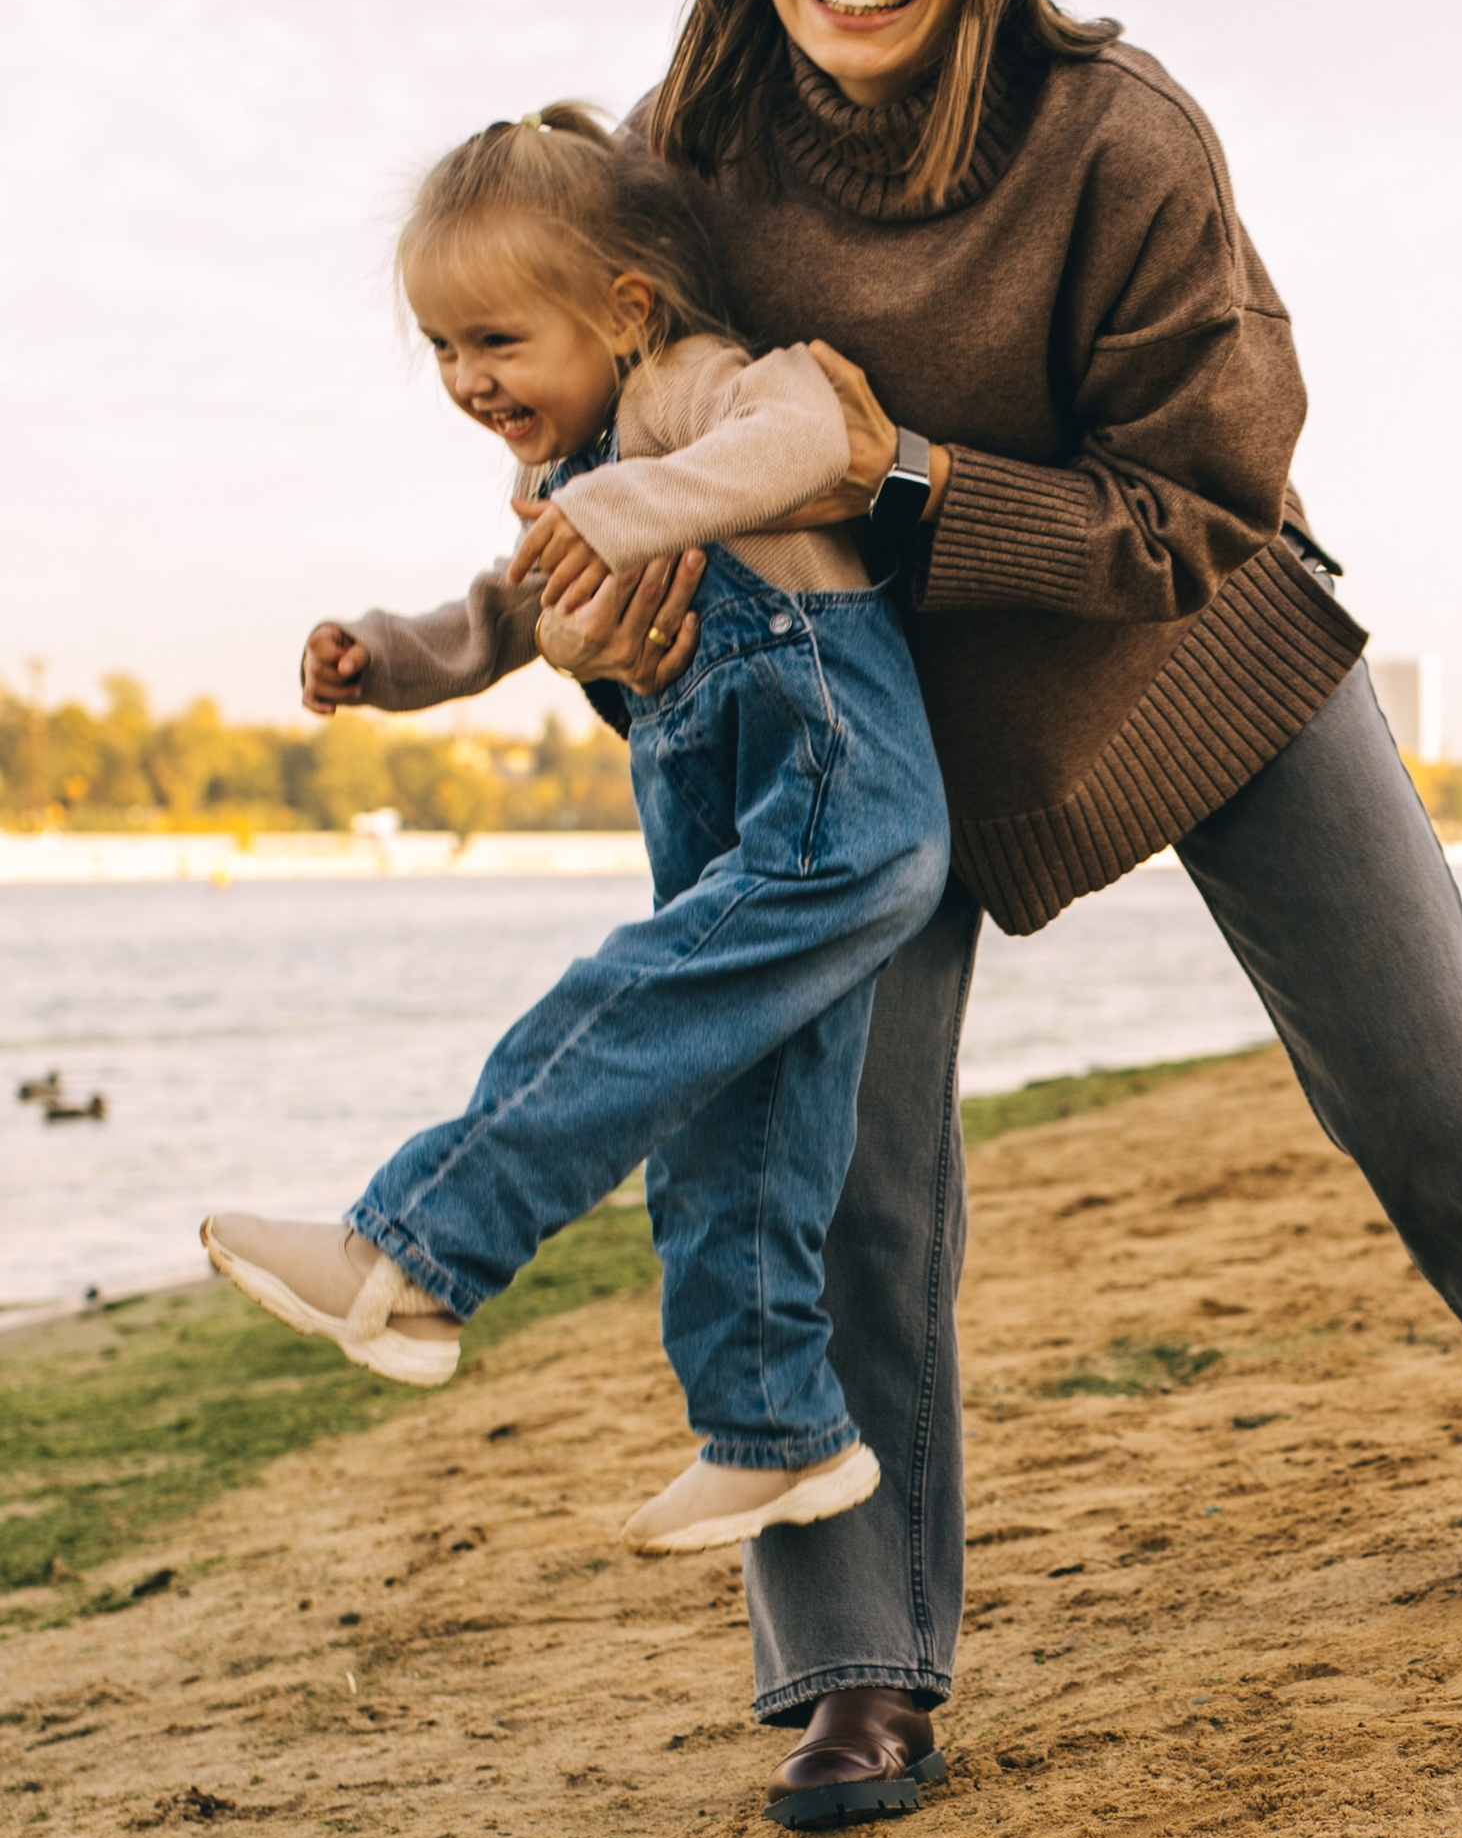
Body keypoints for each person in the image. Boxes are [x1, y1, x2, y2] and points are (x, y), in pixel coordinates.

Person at [550, 0, 1462, 1828]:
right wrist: (610, 628)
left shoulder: (1116, 136)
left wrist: (899, 467)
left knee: (1446, 1087)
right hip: (865, 726)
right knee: (835, 1180)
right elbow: (592, 453)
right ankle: (857, 1668)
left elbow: (1204, 502)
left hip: (1198, 661)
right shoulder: (678, 175)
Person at [201, 104, 950, 1571]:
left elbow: (808, 428)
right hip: (737, 820)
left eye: (497, 341)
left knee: (620, 1012)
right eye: (439, 351)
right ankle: (775, 1431)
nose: (468, 381)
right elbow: (501, 614)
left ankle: (409, 1255)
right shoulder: (562, 483)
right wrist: (386, 656)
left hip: (833, 794)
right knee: (732, 1129)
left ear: (619, 311)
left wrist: (623, 503)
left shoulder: (682, 388)